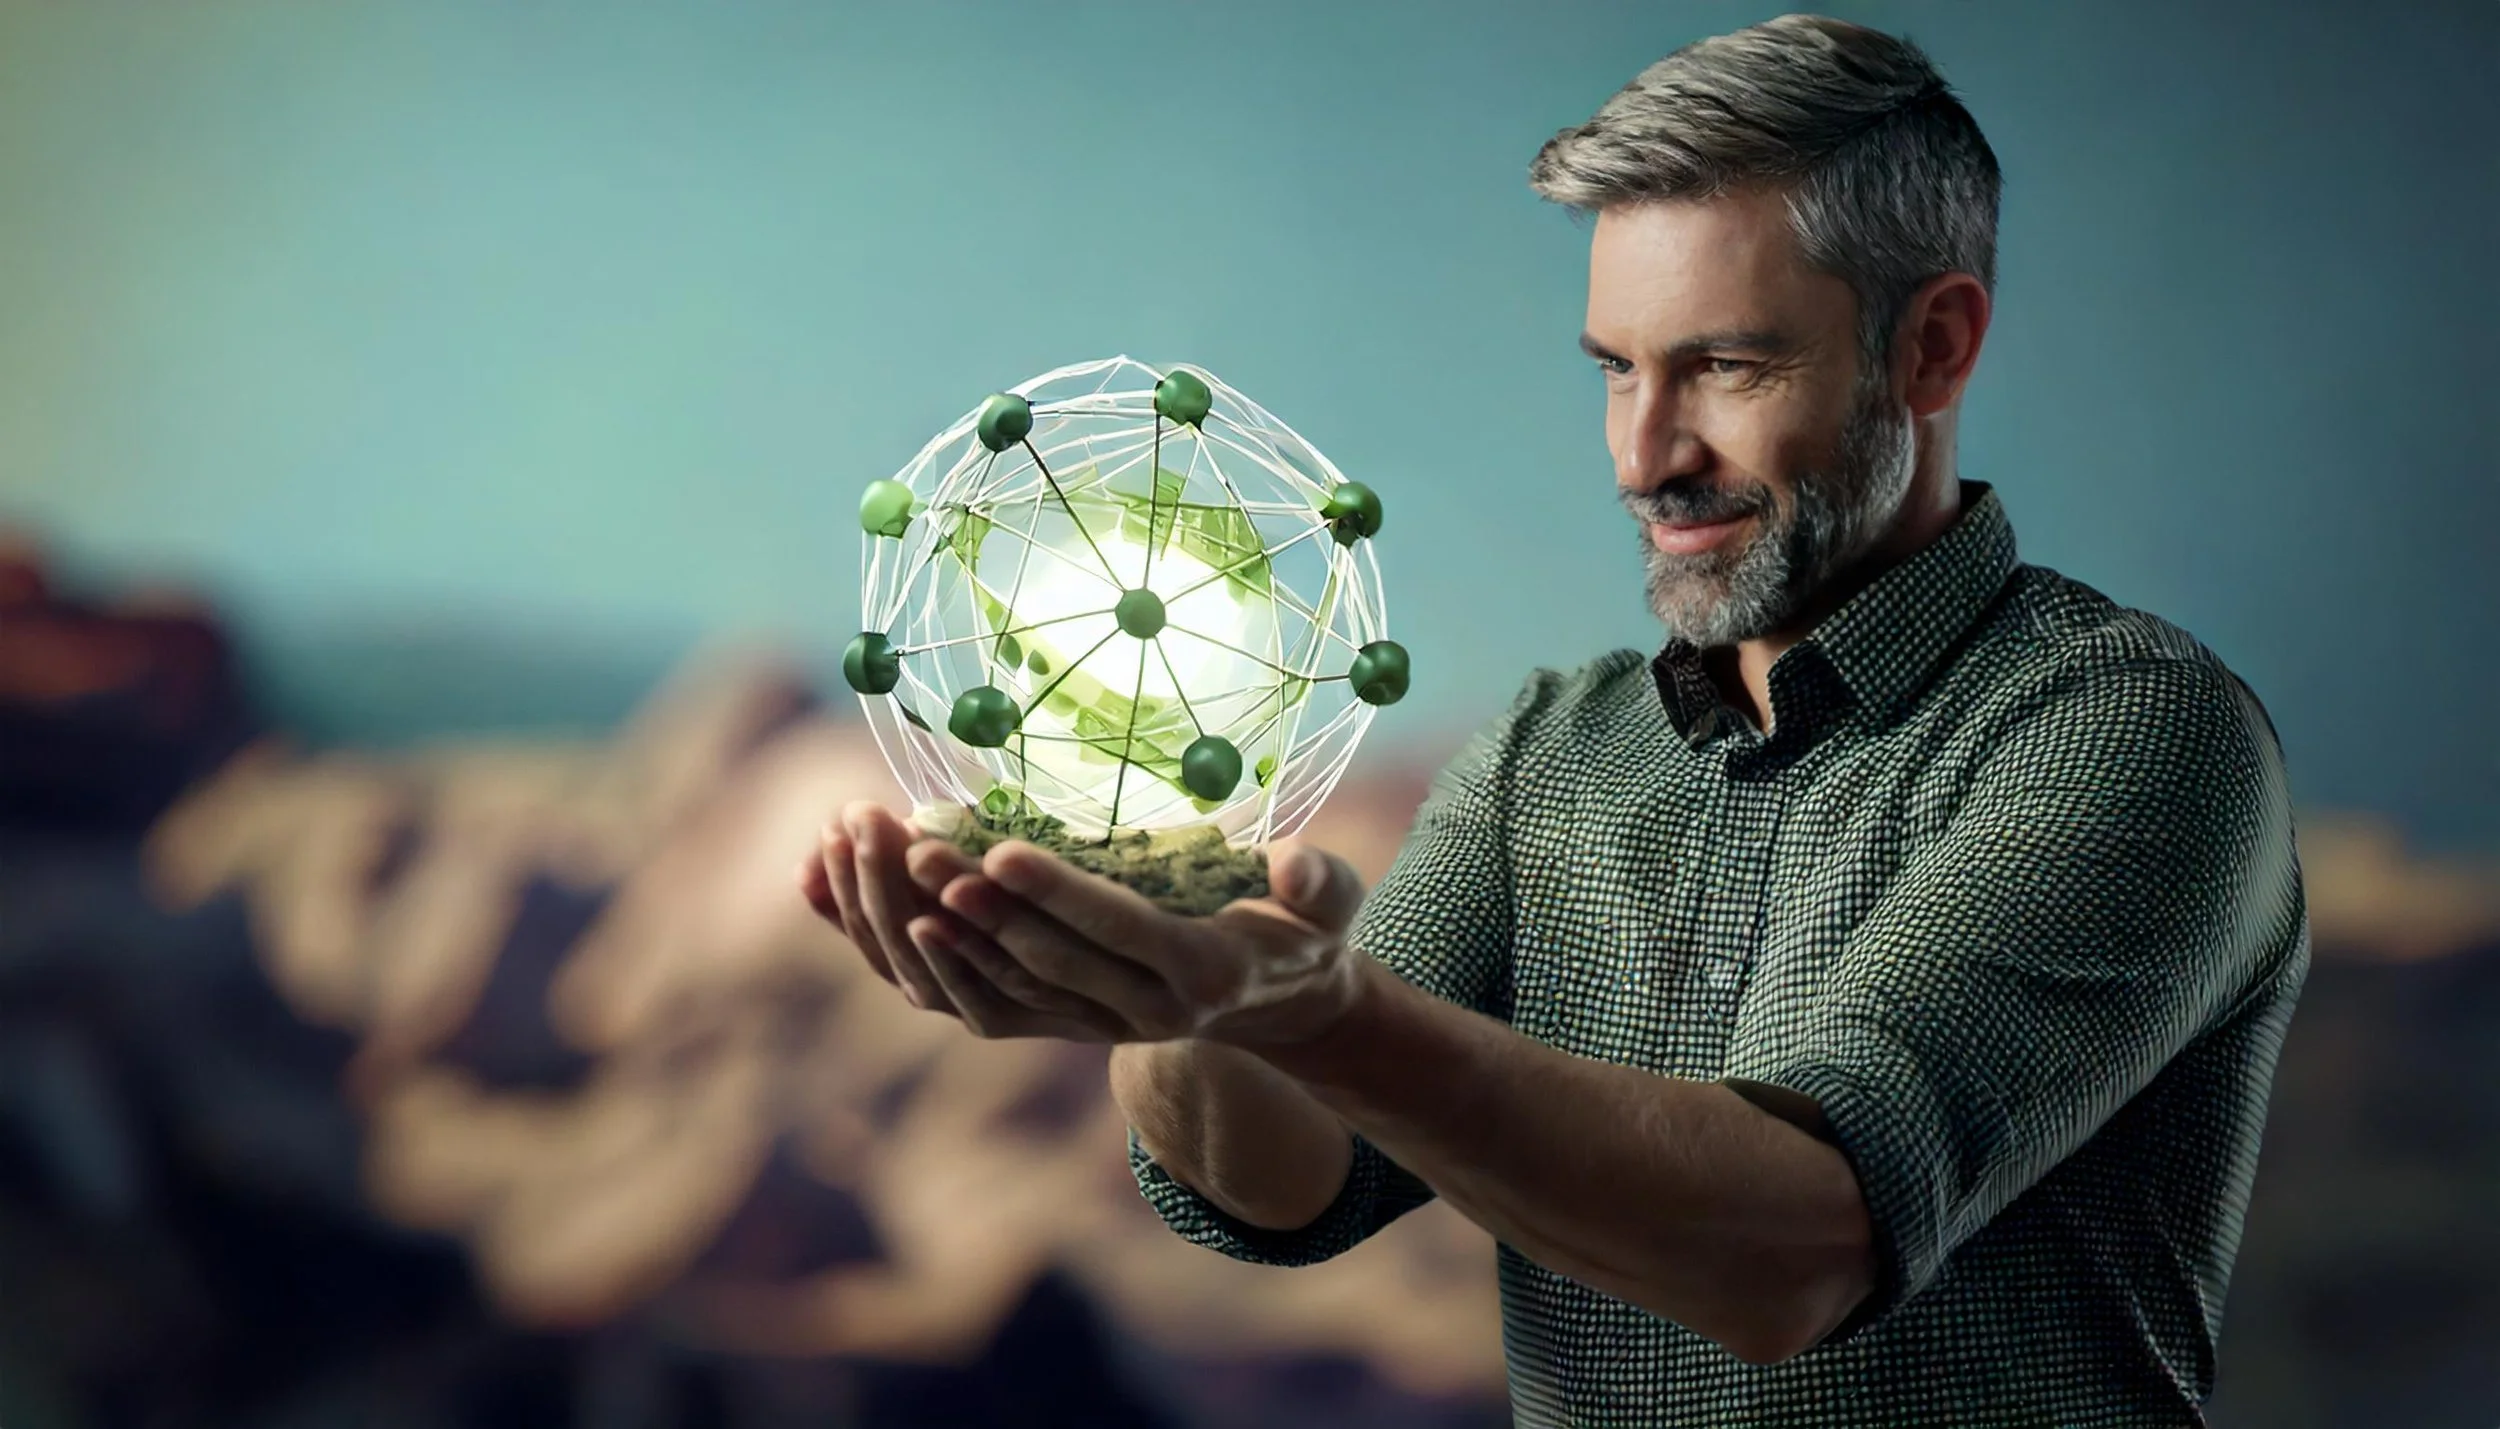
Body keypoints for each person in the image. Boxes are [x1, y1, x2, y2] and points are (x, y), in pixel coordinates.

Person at [801, 14, 2308, 1425]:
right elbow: (1291, 1181)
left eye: (1725, 364)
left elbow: (1796, 1248)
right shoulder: (1553, 750)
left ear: (1933, 346)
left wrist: (1316, 1013)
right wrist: (1174, 1002)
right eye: (1616, 373)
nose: (1646, 455)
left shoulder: (2130, 735)